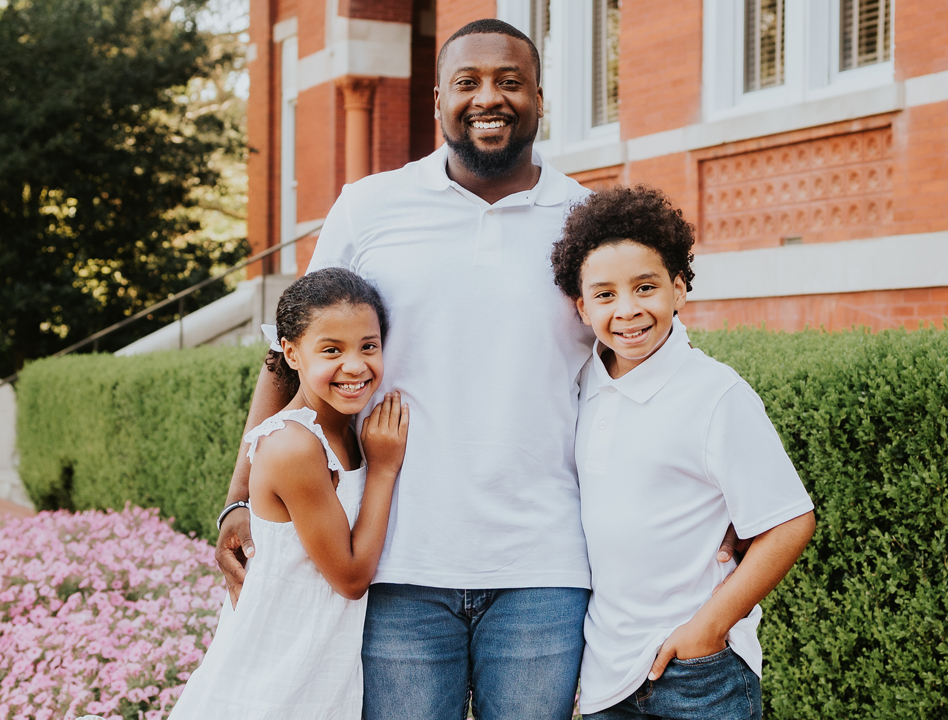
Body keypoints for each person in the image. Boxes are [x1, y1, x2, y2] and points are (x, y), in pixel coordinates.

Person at [214, 18, 749, 719]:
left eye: (509, 82)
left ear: (539, 99)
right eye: (467, 83)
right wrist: (240, 495)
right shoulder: (370, 207)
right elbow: (293, 351)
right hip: (396, 564)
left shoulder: (584, 218)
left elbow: (648, 369)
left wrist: (722, 495)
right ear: (438, 99)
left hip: (546, 568)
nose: (488, 98)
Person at [549, 185, 817, 720]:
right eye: (604, 295)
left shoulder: (716, 394)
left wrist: (708, 628)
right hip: (609, 676)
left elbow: (790, 521)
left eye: (645, 287)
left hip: (698, 674)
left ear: (679, 289)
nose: (627, 310)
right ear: (581, 307)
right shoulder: (582, 386)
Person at [169, 268, 408, 719]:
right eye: (331, 350)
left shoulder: (345, 426)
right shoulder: (294, 446)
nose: (355, 365)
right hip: (274, 675)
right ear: (292, 352)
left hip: (316, 665)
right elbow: (352, 578)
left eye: (368, 346)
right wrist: (383, 469)